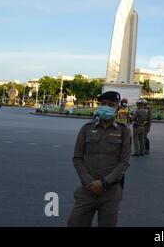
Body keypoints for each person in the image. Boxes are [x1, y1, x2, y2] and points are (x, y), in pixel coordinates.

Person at [67, 91, 131, 227]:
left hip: (111, 191)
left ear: (117, 107)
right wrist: (89, 182)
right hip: (87, 189)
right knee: (75, 223)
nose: (106, 107)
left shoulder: (123, 131)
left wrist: (104, 183)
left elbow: (124, 162)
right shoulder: (86, 129)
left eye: (111, 104)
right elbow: (77, 158)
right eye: (103, 104)